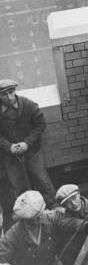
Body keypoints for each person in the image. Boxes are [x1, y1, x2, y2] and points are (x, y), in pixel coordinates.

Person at [0, 80, 56, 222]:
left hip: (31, 150)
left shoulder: (29, 105)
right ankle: (22, 215)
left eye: (11, 92)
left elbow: (40, 125)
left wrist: (27, 143)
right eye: (4, 94)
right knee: (16, 183)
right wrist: (8, 146)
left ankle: (53, 207)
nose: (9, 97)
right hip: (10, 155)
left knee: (40, 177)